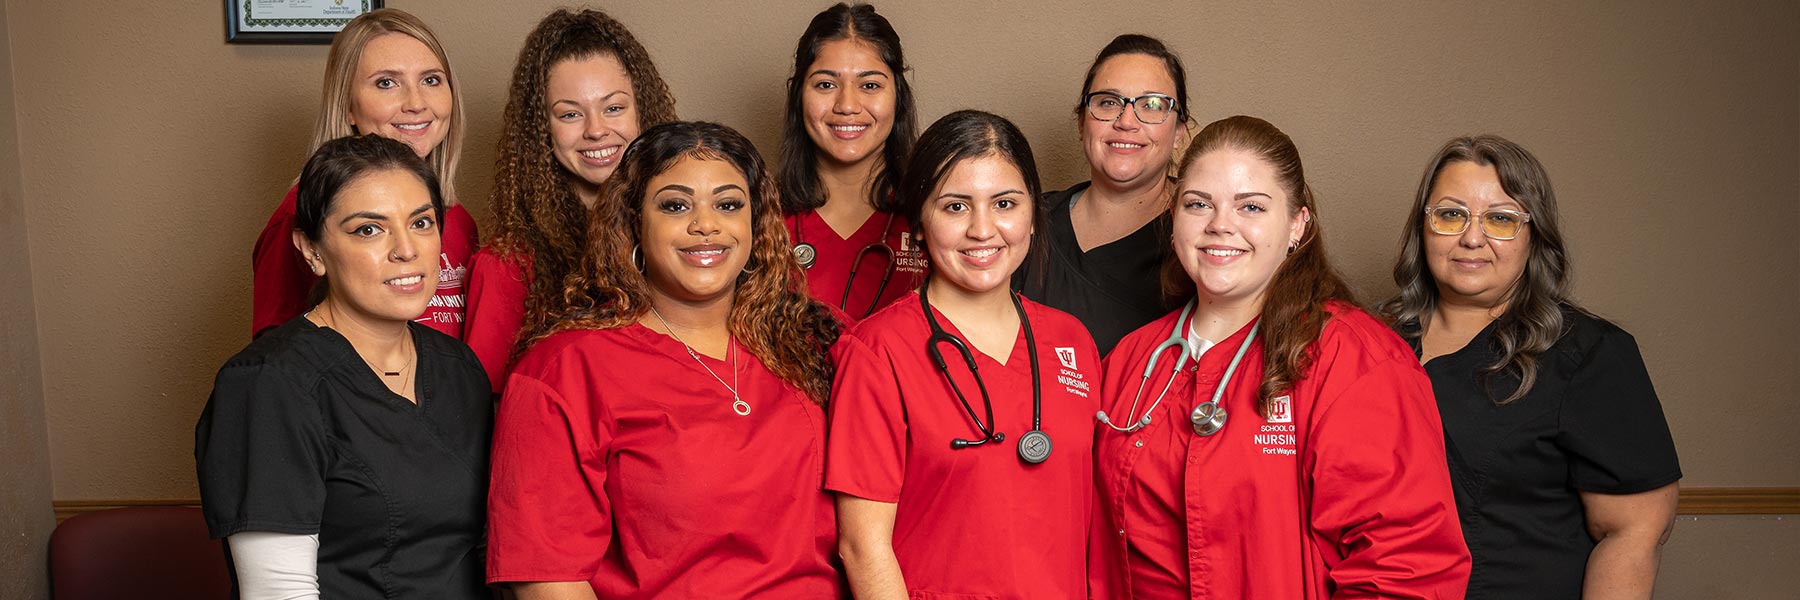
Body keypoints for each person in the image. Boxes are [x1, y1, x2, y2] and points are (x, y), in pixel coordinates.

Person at [1093, 116, 1470, 598]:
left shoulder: (1355, 360)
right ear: (1174, 219)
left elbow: (1407, 568)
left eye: (1250, 206)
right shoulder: (1131, 360)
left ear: (1297, 224)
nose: (1220, 225)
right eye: (1198, 204)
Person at [486, 122, 844, 599]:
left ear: (756, 224)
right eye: (676, 205)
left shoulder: (812, 338)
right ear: (634, 223)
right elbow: (547, 580)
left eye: (728, 205)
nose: (706, 225)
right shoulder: (564, 370)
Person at [1382, 135, 1681, 599]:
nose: (1472, 238)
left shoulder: (1589, 354)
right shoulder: (1369, 342)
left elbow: (1633, 532)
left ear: (1534, 235)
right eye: (1450, 214)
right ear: (1423, 226)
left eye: (1501, 219)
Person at [197, 134, 493, 599]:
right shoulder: (268, 383)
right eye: (368, 230)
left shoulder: (459, 369)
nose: (406, 249)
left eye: (421, 222)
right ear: (311, 250)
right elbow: (281, 592)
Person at [830, 110, 1101, 599]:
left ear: (1033, 217)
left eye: (1005, 203)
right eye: (955, 206)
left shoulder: (1073, 342)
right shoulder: (878, 352)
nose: (982, 229)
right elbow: (862, 547)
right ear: (920, 223)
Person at [463, 8, 678, 393]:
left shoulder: (683, 239)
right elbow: (486, 407)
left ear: (642, 112)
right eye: (570, 114)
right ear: (541, 129)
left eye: (614, 108)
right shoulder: (508, 266)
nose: (596, 130)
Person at [251, 8, 476, 339]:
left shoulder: (458, 218)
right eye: (386, 83)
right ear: (347, 106)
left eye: (431, 80)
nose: (416, 103)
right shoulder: (301, 215)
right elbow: (276, 357)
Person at [1014, 34, 1190, 356]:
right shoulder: (1028, 220)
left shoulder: (1202, 236)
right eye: (1108, 102)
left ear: (1179, 131)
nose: (1127, 122)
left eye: (1152, 105)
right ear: (1082, 122)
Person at [779, 2, 927, 321]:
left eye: (870, 85)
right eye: (826, 84)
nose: (847, 105)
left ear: (898, 97)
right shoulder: (756, 215)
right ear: (799, 96)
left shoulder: (933, 215)